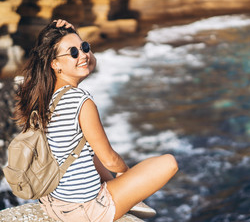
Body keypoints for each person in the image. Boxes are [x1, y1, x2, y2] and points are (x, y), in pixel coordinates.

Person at [13, 19, 178, 221]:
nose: (82, 55)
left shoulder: (43, 96)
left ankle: (122, 195)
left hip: (54, 203)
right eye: (73, 52)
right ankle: (125, 200)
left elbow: (87, 62)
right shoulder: (80, 101)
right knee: (169, 163)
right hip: (83, 210)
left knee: (86, 148)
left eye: (84, 47)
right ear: (55, 64)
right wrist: (126, 175)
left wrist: (72, 33)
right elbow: (109, 159)